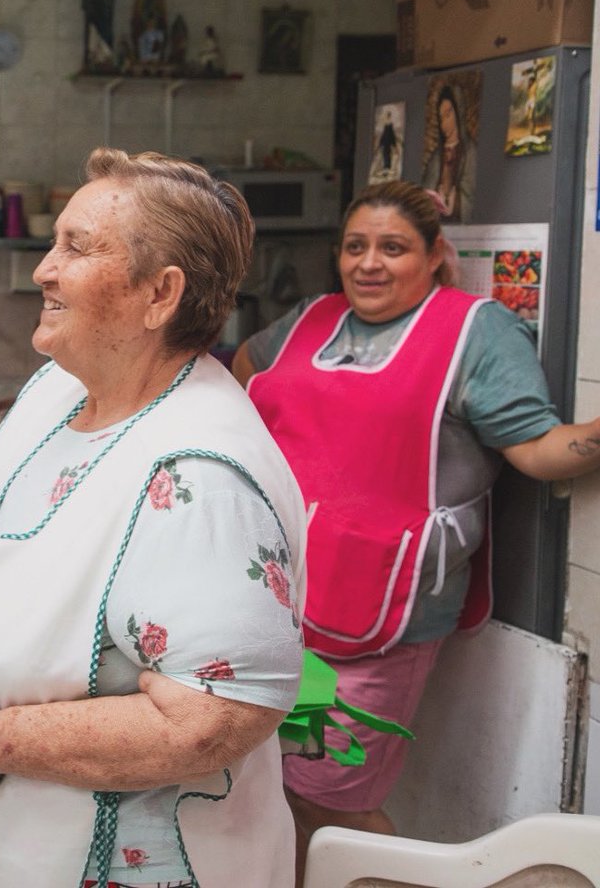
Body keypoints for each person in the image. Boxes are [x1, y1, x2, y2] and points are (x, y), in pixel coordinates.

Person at [0, 148, 309, 887]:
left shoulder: (200, 474)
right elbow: (4, 503)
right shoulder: (59, 391)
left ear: (160, 294)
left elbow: (210, 720)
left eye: (78, 247)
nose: (43, 269)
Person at [230, 179, 600, 879]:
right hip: (282, 603)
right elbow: (247, 369)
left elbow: (540, 451)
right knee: (274, 786)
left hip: (382, 613)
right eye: (355, 247)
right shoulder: (314, 319)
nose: (369, 263)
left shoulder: (475, 331)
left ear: (435, 256)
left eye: (393, 248)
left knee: (332, 799)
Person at [421, 84, 475, 221]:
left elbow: (471, 194)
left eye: (448, 114)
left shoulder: (470, 151)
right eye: (441, 118)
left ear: (458, 112)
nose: (445, 123)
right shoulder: (436, 157)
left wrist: (453, 200)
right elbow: (424, 196)